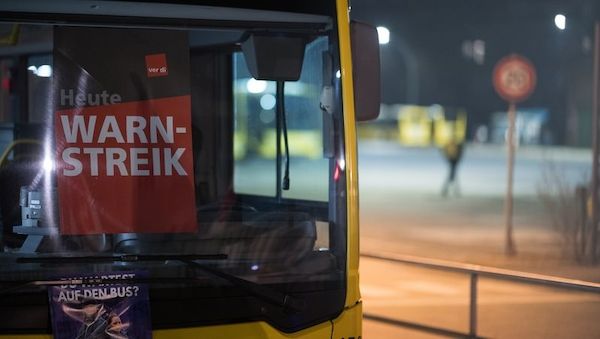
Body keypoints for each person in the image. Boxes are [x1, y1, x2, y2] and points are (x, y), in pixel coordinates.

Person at [441, 133, 464, 197]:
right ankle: (452, 190)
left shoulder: (456, 144)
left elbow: (460, 152)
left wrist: (457, 159)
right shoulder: (452, 144)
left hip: (454, 160)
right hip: (452, 160)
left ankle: (447, 190)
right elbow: (444, 150)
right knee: (452, 175)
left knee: (452, 175)